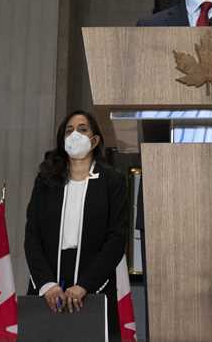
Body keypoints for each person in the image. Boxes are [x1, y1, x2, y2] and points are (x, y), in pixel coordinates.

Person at [24, 110, 130, 341]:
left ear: (95, 140)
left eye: (82, 129)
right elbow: (32, 236)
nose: (74, 134)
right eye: (69, 130)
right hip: (48, 283)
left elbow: (117, 238)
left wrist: (84, 285)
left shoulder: (113, 180)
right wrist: (47, 285)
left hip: (94, 284)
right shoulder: (46, 180)